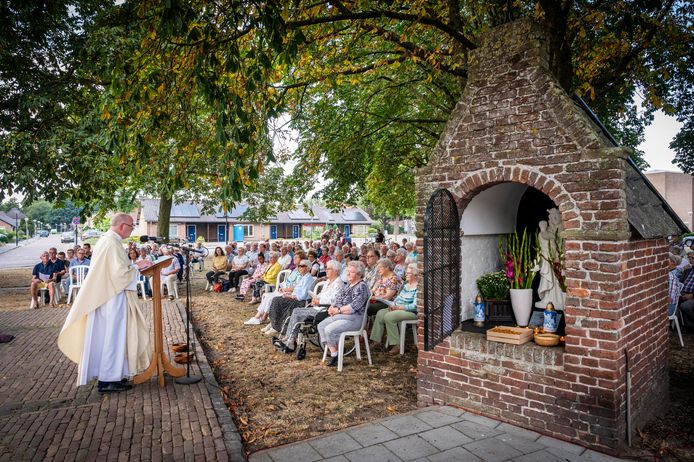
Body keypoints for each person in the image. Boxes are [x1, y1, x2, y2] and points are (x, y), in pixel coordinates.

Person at [57, 213, 151, 393]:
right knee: (112, 336)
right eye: (132, 226)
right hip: (112, 297)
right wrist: (138, 266)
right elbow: (119, 274)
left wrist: (134, 266)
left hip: (108, 294)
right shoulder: (111, 243)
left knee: (112, 336)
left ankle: (113, 375)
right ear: (123, 226)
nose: (132, 229)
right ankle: (108, 380)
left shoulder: (108, 241)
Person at [274, 260, 345, 352]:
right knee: (297, 311)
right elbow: (321, 295)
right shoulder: (328, 282)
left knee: (297, 311)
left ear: (336, 270)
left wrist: (319, 301)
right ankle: (289, 337)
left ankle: (290, 339)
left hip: (326, 309)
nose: (326, 270)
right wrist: (315, 298)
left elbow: (334, 300)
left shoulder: (338, 283)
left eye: (328, 269)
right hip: (319, 306)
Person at [317, 261, 370, 367]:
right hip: (342, 316)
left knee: (329, 329)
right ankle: (335, 353)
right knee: (321, 325)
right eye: (348, 271)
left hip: (355, 319)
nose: (348, 274)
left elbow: (354, 307)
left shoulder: (361, 287)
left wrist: (338, 310)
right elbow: (338, 299)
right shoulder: (349, 285)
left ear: (359, 274)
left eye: (352, 272)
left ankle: (336, 355)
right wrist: (333, 307)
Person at [370, 263, 418, 354]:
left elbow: (415, 306)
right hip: (398, 308)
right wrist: (393, 305)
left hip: (410, 312)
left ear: (415, 276)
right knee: (380, 313)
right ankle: (376, 341)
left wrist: (400, 307)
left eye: (408, 273)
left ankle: (396, 345)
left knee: (389, 317)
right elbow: (398, 298)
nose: (406, 275)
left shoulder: (417, 287)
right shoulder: (406, 285)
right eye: (406, 273)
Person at [245, 254, 304, 325]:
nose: (293, 259)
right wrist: (282, 287)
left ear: (301, 259)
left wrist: (285, 289)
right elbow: (287, 281)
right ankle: (259, 317)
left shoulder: (301, 272)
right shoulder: (294, 270)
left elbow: (296, 286)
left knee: (270, 298)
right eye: (294, 257)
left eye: (296, 257)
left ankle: (261, 317)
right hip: (284, 289)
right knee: (267, 296)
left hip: (291, 293)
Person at [264, 259, 314, 336]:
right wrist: (288, 294)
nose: (299, 268)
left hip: (301, 302)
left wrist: (290, 296)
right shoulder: (303, 277)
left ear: (308, 268)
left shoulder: (308, 279)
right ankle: (274, 323)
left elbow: (302, 296)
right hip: (295, 298)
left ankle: (275, 326)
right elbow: (296, 290)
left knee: (277, 301)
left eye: (302, 266)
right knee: (276, 300)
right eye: (299, 266)